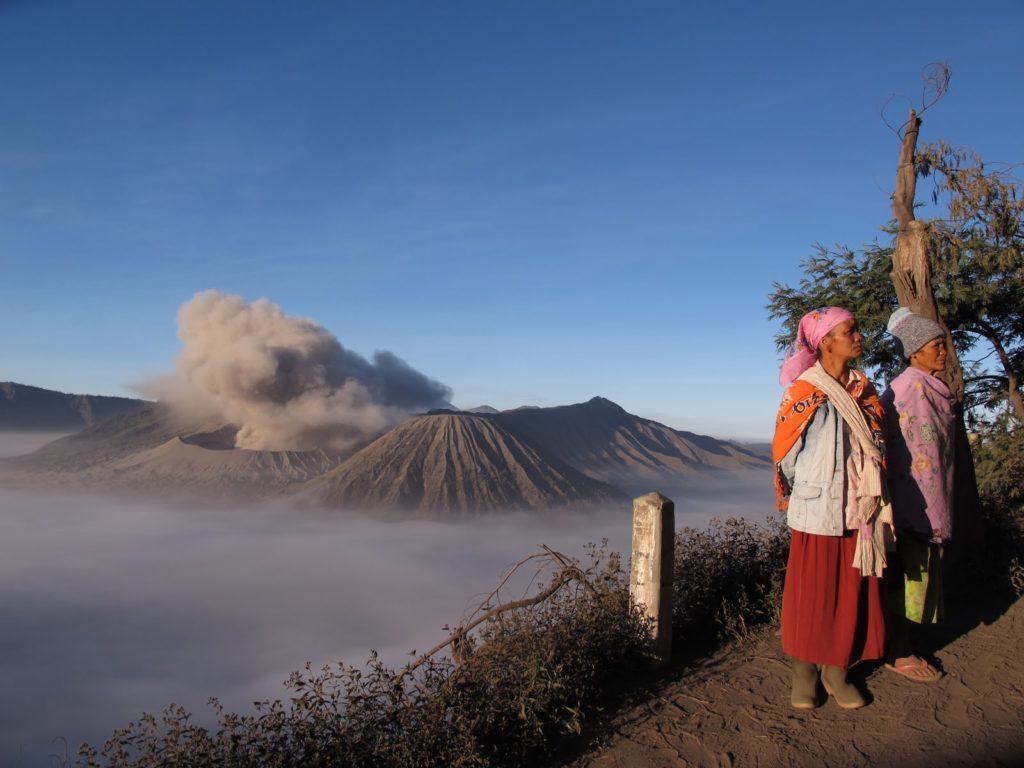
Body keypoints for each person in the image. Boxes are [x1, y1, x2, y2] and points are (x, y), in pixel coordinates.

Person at [773, 307, 893, 710]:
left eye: (856, 330)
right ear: (826, 342)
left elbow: (878, 441)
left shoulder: (864, 387)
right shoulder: (803, 392)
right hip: (818, 509)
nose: (859, 336)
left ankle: (837, 670)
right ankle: (804, 671)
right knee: (812, 594)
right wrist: (814, 487)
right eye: (850, 331)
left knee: (851, 592)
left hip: (859, 509)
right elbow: (786, 455)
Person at [880, 307, 954, 683]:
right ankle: (900, 650)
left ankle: (904, 643)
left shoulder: (924, 386)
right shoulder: (911, 389)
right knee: (909, 574)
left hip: (925, 495)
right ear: (914, 351)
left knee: (915, 573)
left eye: (943, 344)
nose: (943, 351)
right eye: (935, 345)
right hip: (913, 500)